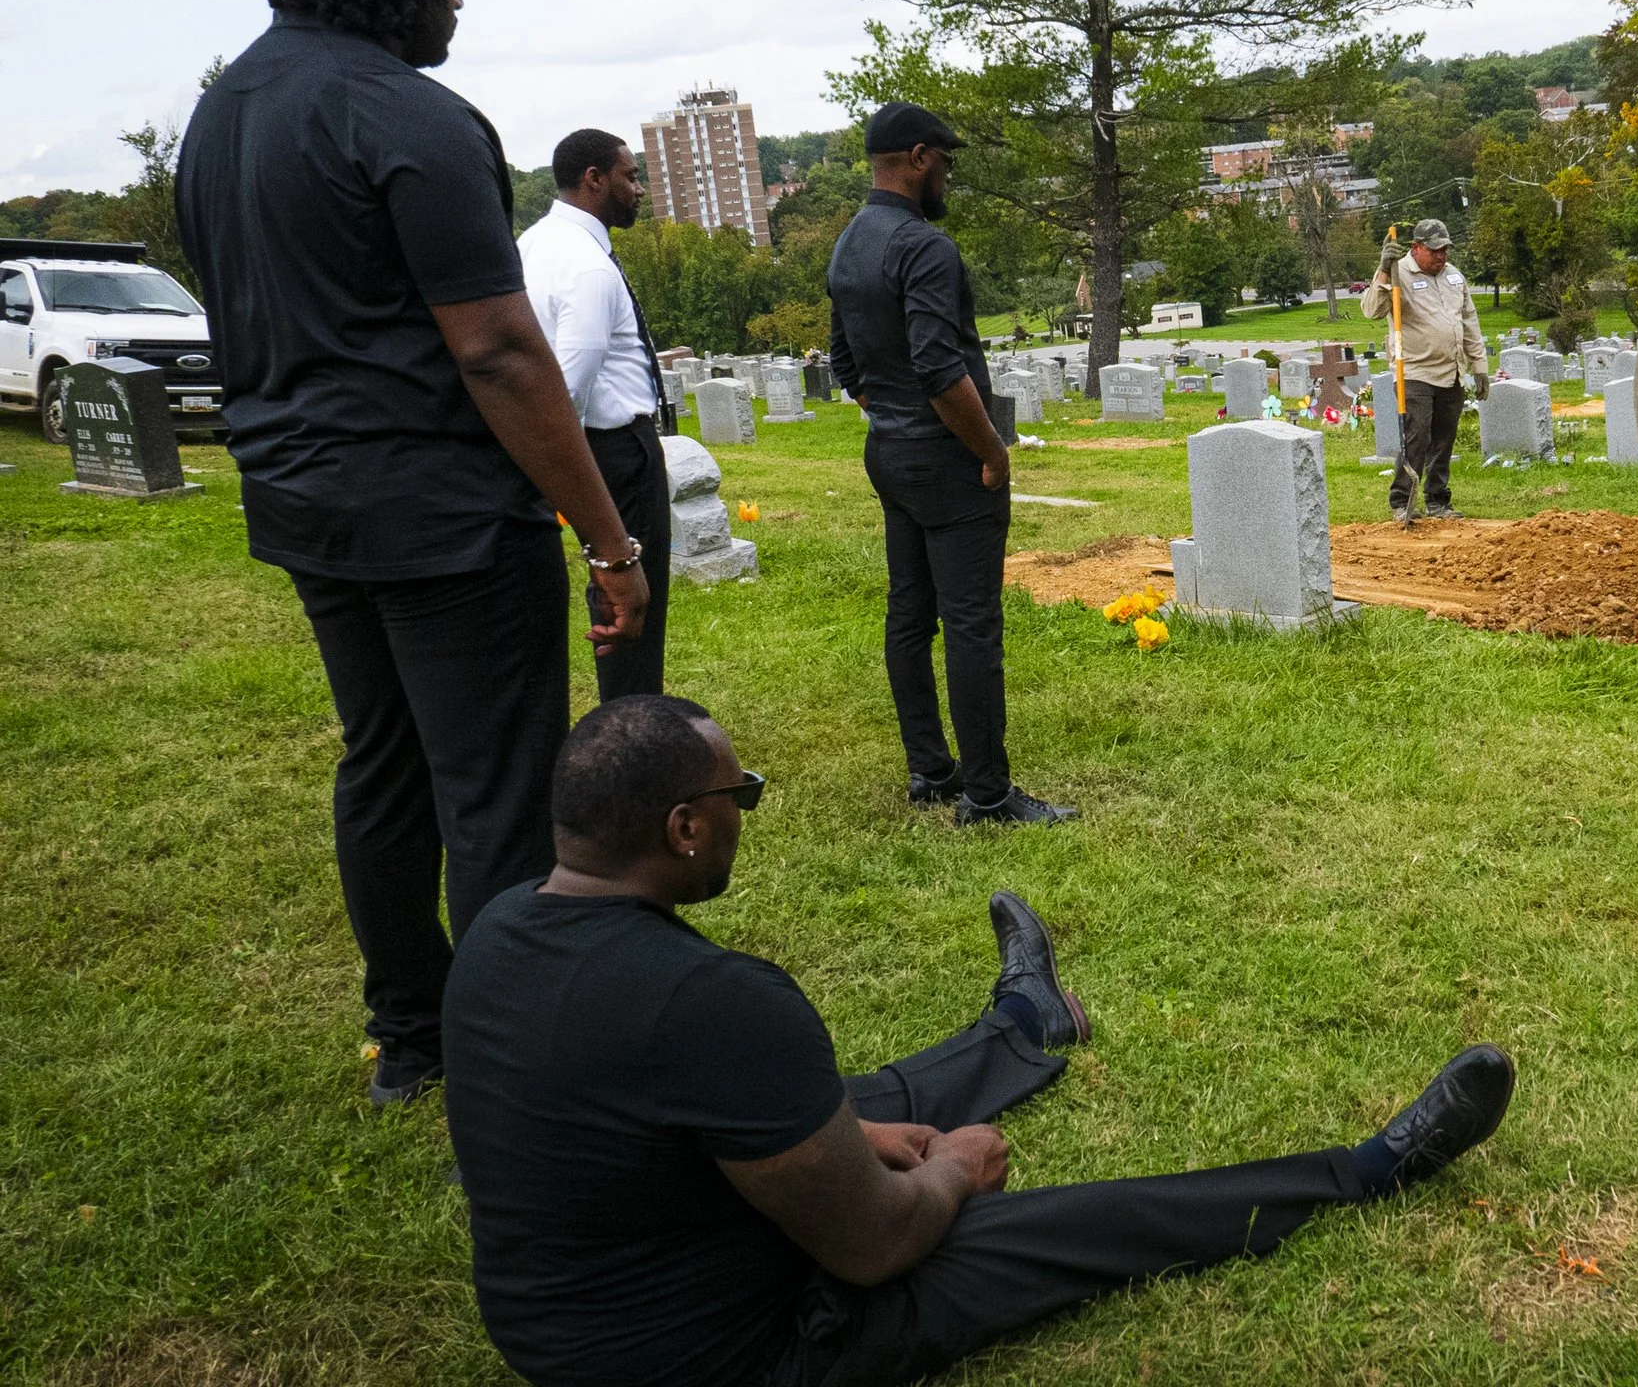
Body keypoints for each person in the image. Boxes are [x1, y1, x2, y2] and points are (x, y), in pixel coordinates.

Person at [441, 695, 1515, 1387]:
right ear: (685, 827)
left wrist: (855, 1134)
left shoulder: (496, 932)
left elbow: (658, 1125)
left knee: (841, 1098)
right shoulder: (716, 1001)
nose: (744, 812)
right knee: (1055, 1227)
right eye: (742, 795)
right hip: (738, 1354)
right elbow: (873, 1247)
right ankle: (1363, 1173)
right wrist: (949, 1168)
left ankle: (1021, 1027)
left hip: (566, 1326)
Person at [175, 0, 649, 1107]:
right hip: (440, 516)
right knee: (494, 788)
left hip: (302, 502)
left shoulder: (220, 116)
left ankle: (414, 1034)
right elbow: (498, 349)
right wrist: (608, 539)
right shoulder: (412, 119)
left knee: (380, 763)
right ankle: (512, 1057)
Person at [826, 102, 1072, 825]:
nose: (950, 176)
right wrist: (990, 449)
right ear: (920, 157)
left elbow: (846, 361)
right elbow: (939, 367)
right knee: (970, 624)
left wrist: (894, 419)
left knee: (909, 612)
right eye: (947, 162)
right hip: (947, 459)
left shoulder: (849, 244)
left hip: (889, 453)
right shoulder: (924, 246)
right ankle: (988, 794)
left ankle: (930, 769)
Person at [518, 129, 673, 700]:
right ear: (594, 179)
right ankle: (633, 736)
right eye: (630, 177)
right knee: (631, 601)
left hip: (583, 445)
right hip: (613, 448)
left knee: (612, 600)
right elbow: (568, 388)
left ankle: (625, 723)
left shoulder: (533, 243)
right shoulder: (587, 265)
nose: (639, 190)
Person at [1361, 219, 1488, 525]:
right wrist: (1382, 270)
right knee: (1416, 436)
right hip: (1415, 371)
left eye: (1445, 249)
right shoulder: (1397, 272)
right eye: (1434, 250)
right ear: (1415, 248)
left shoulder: (1455, 277)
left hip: (1452, 371)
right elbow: (1371, 310)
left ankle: (1437, 499)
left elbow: (1469, 322)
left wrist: (1479, 366)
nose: (1441, 256)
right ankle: (1402, 500)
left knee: (1444, 439)